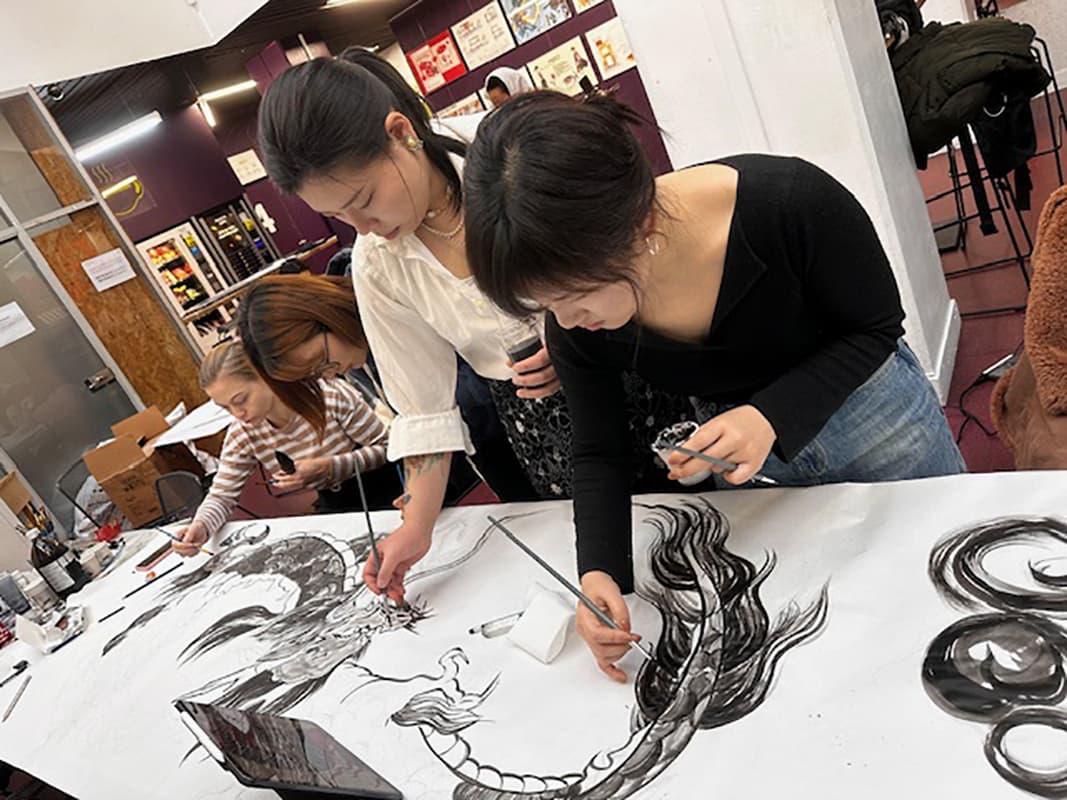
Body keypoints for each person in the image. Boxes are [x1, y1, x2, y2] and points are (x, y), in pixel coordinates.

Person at [462, 90, 967, 681]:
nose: (566, 323)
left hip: (878, 422)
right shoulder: (577, 325)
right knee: (851, 646)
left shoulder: (790, 203)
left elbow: (875, 327)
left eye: (576, 297)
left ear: (642, 225)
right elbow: (599, 449)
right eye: (546, 305)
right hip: (751, 468)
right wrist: (599, 571)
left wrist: (770, 415)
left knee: (953, 586)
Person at [256, 52, 693, 604]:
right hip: (544, 423)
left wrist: (572, 341)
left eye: (363, 200)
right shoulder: (378, 264)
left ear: (401, 133)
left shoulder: (507, 151)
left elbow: (630, 239)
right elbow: (424, 411)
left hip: (633, 361)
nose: (363, 227)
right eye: (340, 216)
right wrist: (416, 528)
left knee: (704, 522)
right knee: (618, 574)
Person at [172, 338, 388, 557]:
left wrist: (331, 467)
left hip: (383, 492)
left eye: (241, 400)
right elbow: (222, 495)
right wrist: (200, 526)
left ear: (266, 377)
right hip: (335, 506)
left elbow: (387, 448)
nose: (238, 414)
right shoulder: (244, 432)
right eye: (226, 408)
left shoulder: (329, 396)